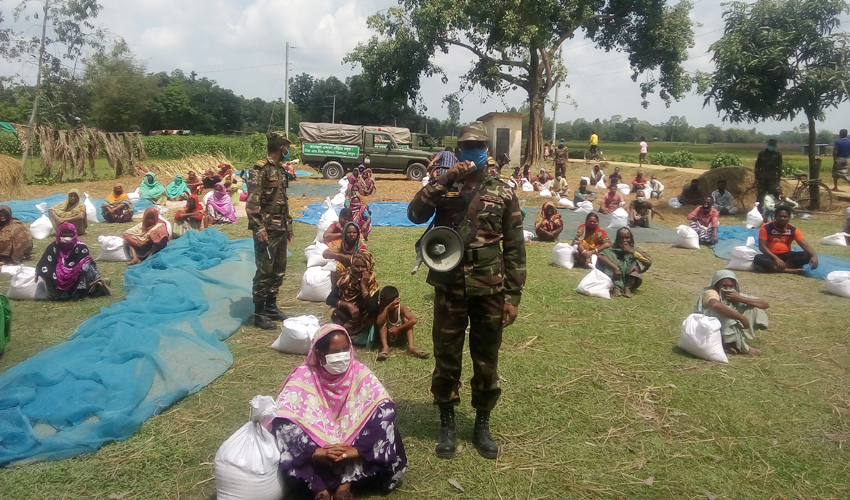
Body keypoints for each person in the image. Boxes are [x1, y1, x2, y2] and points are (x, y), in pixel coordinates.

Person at [407, 123, 526, 460]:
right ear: (458, 150)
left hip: (490, 285)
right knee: (447, 355)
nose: (472, 149)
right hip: (450, 284)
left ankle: (482, 423)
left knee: (486, 356)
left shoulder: (502, 191)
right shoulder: (445, 188)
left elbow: (515, 247)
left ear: (486, 148)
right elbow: (415, 214)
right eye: (466, 145)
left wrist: (513, 297)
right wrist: (443, 179)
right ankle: (447, 422)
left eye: (478, 144)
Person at [269, 324, 407, 500]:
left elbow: (384, 406)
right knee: (283, 425)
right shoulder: (304, 374)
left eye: (345, 349)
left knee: (385, 424)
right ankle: (320, 489)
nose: (342, 356)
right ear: (319, 353)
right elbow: (284, 411)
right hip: (318, 446)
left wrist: (356, 449)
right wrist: (315, 451)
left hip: (352, 442)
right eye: (335, 351)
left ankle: (344, 485)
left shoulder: (359, 371)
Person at [246, 132, 293, 329]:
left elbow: (283, 199)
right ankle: (259, 313)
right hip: (266, 228)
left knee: (279, 269)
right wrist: (259, 228)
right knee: (265, 270)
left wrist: (288, 224)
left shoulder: (280, 170)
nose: (288, 151)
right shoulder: (260, 169)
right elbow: (253, 202)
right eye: (286, 146)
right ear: (280, 147)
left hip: (280, 226)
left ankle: (271, 306)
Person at [693, 270, 769, 356]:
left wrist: (740, 298)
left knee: (754, 309)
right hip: (705, 330)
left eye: (731, 286)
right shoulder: (711, 292)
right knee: (725, 312)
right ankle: (738, 346)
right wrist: (741, 317)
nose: (728, 289)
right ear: (716, 285)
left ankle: (734, 343)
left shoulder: (734, 295)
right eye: (724, 286)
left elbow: (765, 304)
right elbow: (715, 305)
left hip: (723, 325)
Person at [36, 223, 109, 300]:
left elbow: (83, 261)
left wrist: (71, 271)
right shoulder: (53, 247)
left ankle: (81, 291)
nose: (67, 238)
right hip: (57, 280)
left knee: (84, 266)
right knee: (46, 270)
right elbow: (44, 263)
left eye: (70, 235)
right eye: (64, 235)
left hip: (76, 278)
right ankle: (58, 293)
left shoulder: (81, 247)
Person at [326, 250, 380, 348]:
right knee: (334, 312)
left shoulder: (372, 284)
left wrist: (363, 286)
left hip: (363, 317)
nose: (359, 269)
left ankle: (359, 336)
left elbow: (372, 308)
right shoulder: (345, 279)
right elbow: (330, 299)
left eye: (363, 266)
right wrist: (348, 305)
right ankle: (345, 335)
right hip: (348, 314)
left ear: (369, 266)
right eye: (356, 266)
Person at [754, 205, 818, 274]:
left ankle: (780, 267)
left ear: (789, 218)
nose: (782, 218)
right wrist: (776, 259)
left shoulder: (793, 230)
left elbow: (805, 245)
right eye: (780, 216)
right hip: (771, 256)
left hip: (786, 257)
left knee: (806, 255)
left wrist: (814, 256)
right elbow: (762, 247)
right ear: (775, 217)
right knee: (758, 258)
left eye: (785, 217)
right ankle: (789, 270)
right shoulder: (766, 228)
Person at [375, 286, 428, 361]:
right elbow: (379, 322)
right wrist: (387, 308)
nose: (386, 306)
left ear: (396, 301)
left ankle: (411, 347)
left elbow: (413, 320)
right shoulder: (384, 309)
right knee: (382, 323)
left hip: (400, 338)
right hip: (388, 338)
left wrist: (398, 328)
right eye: (384, 305)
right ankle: (385, 347)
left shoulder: (401, 309)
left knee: (407, 320)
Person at [598, 227, 652, 298]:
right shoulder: (613, 248)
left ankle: (628, 287)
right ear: (618, 239)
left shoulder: (635, 249)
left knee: (636, 262)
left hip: (628, 275)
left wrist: (632, 251)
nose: (624, 240)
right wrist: (615, 267)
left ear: (631, 238)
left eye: (627, 238)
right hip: (616, 274)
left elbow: (648, 261)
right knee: (608, 262)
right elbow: (600, 256)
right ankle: (616, 287)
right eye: (621, 238)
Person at [754, 139, 783, 212]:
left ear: (775, 146)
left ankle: (773, 211)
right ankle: (759, 211)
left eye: (772, 145)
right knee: (760, 196)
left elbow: (779, 168)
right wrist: (756, 178)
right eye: (770, 145)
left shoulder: (778, 155)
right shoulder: (761, 154)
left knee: (773, 196)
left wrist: (778, 181)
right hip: (762, 179)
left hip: (772, 179)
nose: (771, 146)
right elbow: (757, 167)